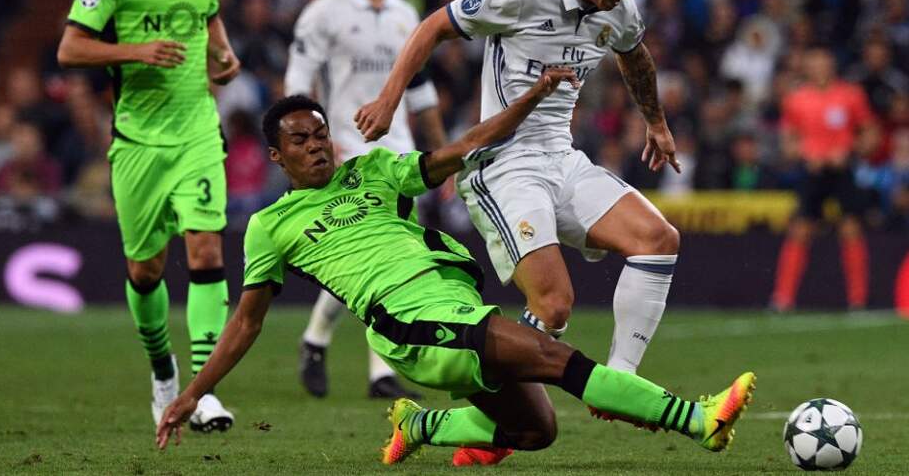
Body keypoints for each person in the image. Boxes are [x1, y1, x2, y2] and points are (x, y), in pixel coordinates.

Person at [155, 71, 756, 467]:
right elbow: (247, 324)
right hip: (406, 320)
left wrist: (528, 99)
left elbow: (461, 148)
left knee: (535, 431)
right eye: (300, 140)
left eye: (320, 135)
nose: (316, 146)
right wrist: (193, 393)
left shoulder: (373, 172)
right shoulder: (270, 226)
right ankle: (698, 419)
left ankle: (421, 427)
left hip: (451, 303)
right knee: (555, 359)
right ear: (276, 155)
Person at [356, 0, 682, 403]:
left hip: (561, 157)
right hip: (504, 164)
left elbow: (635, 56)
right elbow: (432, 28)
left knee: (658, 239)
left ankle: (620, 382)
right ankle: (488, 414)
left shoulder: (620, 11)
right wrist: (388, 99)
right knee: (552, 307)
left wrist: (656, 123)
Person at [57, 0, 239, 432]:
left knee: (207, 251)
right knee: (144, 271)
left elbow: (210, 24)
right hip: (137, 143)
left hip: (197, 135)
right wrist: (135, 52)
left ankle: (204, 388)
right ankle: (163, 373)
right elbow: (69, 49)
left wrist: (224, 57)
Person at [284, 0, 446, 401]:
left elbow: (420, 91)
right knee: (368, 259)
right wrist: (312, 143)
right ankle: (378, 370)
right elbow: (297, 84)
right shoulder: (323, 12)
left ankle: (319, 342)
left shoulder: (405, 15)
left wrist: (441, 154)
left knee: (387, 260)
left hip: (397, 154)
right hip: (346, 148)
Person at [770, 47, 877, 311]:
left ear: (832, 65)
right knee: (800, 230)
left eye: (824, 62)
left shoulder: (851, 95)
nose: (819, 68)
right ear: (807, 67)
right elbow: (787, 143)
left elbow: (871, 134)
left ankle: (858, 300)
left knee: (850, 228)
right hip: (813, 171)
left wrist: (850, 149)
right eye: (814, 63)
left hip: (842, 170)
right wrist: (806, 153)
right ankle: (783, 299)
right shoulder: (796, 99)